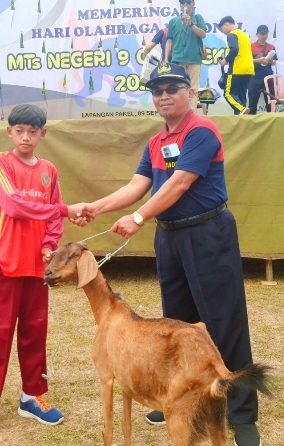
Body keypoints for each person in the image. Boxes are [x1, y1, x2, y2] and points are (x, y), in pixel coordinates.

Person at [76, 62, 263, 446]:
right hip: (171, 238)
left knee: (223, 322)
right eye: (157, 90)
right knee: (176, 327)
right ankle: (175, 397)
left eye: (172, 88)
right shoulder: (157, 142)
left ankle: (243, 416)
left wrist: (140, 216)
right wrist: (96, 206)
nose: (164, 95)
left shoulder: (202, 131)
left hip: (208, 233)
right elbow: (137, 184)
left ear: (189, 92)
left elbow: (179, 183)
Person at [0, 104, 91, 437]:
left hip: (36, 268)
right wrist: (65, 208)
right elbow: (14, 205)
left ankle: (32, 396)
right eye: (19, 131)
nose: (26, 137)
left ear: (43, 134)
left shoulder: (48, 169)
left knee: (35, 332)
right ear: (9, 132)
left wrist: (48, 244)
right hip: (3, 263)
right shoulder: (0, 163)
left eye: (33, 131)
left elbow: (53, 221)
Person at [165, 0, 207, 110]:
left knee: (193, 88)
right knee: (178, 88)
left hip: (194, 59)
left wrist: (191, 24)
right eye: (182, 2)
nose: (185, 4)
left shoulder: (198, 18)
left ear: (193, 4)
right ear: (179, 5)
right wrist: (166, 58)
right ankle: (180, 114)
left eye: (188, 2)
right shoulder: (173, 21)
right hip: (178, 59)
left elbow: (203, 35)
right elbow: (169, 41)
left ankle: (191, 116)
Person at [219, 16, 254, 115]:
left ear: (226, 24)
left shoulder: (232, 34)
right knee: (240, 95)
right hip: (249, 69)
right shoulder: (244, 35)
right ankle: (241, 117)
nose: (223, 31)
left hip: (237, 69)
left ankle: (241, 109)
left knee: (228, 93)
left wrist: (225, 60)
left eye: (222, 28)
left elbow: (234, 49)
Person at [248, 25, 278, 115]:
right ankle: (252, 123)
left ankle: (272, 121)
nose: (264, 36)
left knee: (271, 103)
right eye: (262, 34)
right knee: (252, 103)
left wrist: (269, 60)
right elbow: (247, 61)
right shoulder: (251, 46)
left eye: (266, 33)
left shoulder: (271, 47)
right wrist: (258, 60)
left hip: (268, 77)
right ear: (257, 34)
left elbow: (274, 62)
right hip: (254, 77)